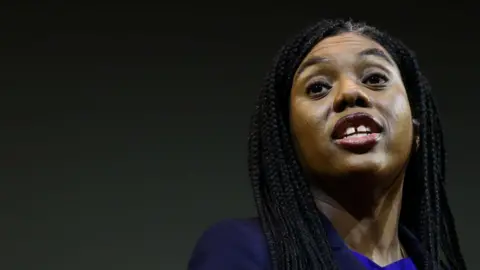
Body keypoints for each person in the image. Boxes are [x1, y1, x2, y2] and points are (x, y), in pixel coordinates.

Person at [187, 19, 467, 270]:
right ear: (288, 138)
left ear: (417, 128)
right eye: (318, 87)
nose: (350, 93)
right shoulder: (242, 250)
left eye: (375, 79)